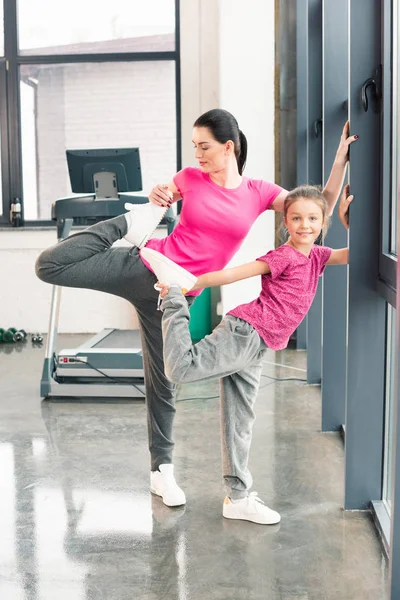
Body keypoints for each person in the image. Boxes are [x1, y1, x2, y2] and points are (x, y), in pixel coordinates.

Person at [35, 108, 356, 509]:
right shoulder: (189, 179)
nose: (198, 154)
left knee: (164, 381)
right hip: (148, 266)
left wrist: (340, 158)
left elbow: (316, 206)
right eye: (194, 147)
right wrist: (153, 201)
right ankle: (125, 226)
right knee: (49, 264)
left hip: (178, 294)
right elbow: (163, 194)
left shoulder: (258, 192)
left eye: (204, 147)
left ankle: (161, 472)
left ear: (229, 147)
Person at [142, 184, 353, 524]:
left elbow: (353, 253)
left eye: (313, 218)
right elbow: (232, 274)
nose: (305, 225)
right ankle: (171, 302)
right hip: (246, 332)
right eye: (296, 218)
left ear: (323, 220)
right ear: (285, 220)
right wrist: (182, 287)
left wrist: (347, 216)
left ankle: (237, 497)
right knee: (180, 369)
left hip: (259, 345)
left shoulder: (317, 256)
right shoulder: (282, 257)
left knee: (240, 419)